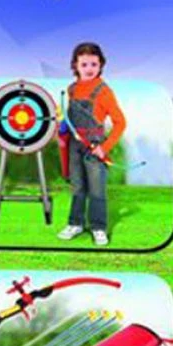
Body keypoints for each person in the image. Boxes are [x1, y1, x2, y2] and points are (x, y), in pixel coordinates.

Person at [56, 41, 127, 247]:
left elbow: (120, 122)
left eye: (94, 64)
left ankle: (98, 227)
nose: (89, 69)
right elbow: (68, 119)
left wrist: (104, 148)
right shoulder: (71, 90)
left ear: (101, 65)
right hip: (74, 146)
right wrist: (61, 130)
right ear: (75, 66)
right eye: (84, 64)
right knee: (77, 187)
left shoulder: (104, 91)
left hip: (95, 147)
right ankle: (75, 224)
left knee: (96, 190)